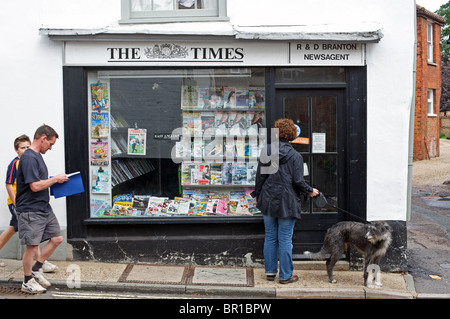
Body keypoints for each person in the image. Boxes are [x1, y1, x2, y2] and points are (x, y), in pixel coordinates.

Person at [253, 118, 319, 284]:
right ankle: (285, 275)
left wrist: (257, 195)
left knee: (270, 237)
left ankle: (270, 272)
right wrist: (310, 191)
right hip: (287, 201)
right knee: (284, 239)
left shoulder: (268, 150)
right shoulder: (295, 156)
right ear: (292, 134)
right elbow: (298, 181)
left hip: (268, 198)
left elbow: (261, 176)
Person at [15, 125, 69, 294]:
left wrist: (56, 182)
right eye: (50, 144)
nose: (51, 148)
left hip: (43, 207)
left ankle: (37, 268)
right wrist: (55, 180)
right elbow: (35, 186)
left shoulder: (37, 156)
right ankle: (27, 281)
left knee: (57, 238)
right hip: (30, 210)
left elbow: (40, 183)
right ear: (43, 138)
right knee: (32, 247)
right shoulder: (29, 158)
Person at [0, 135, 58, 272]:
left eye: (27, 147)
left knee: (24, 232)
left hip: (24, 204)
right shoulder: (15, 163)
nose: (25, 150)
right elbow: (8, 184)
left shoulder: (30, 160)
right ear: (16, 150)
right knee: (27, 233)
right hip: (18, 203)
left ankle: (40, 262)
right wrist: (15, 203)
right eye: (22, 148)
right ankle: (40, 263)